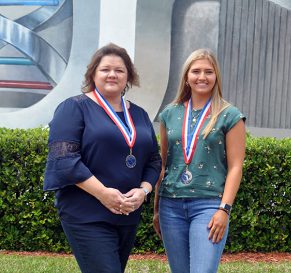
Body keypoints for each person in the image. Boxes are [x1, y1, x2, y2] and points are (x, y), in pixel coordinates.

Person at [44, 43, 162, 273]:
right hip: (86, 213)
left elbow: (154, 160)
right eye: (105, 69)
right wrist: (104, 194)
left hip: (127, 214)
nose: (112, 74)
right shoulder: (74, 108)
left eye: (119, 70)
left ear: (128, 76)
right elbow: (65, 160)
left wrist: (143, 191)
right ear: (93, 73)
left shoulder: (139, 114)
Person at [153, 48, 246, 273]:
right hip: (170, 206)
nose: (202, 77)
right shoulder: (169, 113)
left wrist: (224, 209)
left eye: (208, 71)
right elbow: (164, 164)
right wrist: (156, 209)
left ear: (216, 77)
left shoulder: (229, 115)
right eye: (196, 71)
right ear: (186, 77)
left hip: (208, 205)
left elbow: (236, 167)